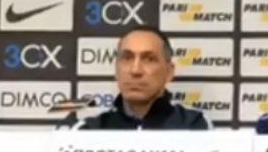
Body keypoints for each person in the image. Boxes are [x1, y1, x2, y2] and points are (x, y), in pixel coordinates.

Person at [59, 25, 212, 130]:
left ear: (169, 72)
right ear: (116, 68)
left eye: (149, 59)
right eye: (127, 58)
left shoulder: (194, 125)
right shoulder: (88, 131)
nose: (135, 70)